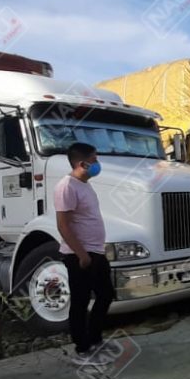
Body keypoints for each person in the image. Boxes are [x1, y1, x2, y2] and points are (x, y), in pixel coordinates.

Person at [54, 143, 114, 366]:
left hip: (95, 251)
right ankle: (82, 349)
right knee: (80, 302)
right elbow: (63, 226)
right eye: (95, 160)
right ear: (82, 164)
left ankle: (95, 339)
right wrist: (82, 255)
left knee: (106, 294)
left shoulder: (85, 185)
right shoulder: (67, 187)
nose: (98, 164)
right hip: (80, 255)